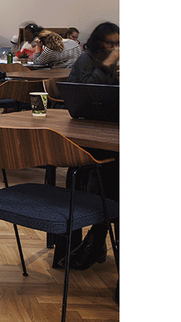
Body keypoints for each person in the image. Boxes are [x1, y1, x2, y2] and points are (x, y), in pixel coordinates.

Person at [61, 21, 119, 271]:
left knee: (110, 174)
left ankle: (96, 237)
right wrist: (106, 65)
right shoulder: (87, 59)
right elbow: (82, 91)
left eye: (118, 43)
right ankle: (96, 238)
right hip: (90, 129)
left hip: (113, 131)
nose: (116, 48)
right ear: (98, 42)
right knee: (102, 172)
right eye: (110, 43)